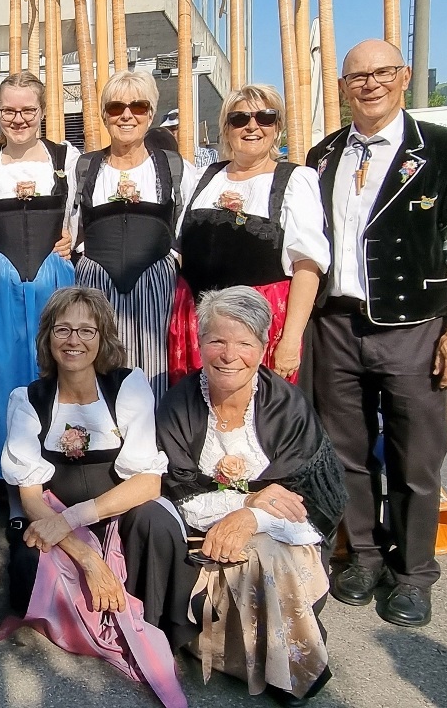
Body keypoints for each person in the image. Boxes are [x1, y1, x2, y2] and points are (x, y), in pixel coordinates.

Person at [307, 39, 447, 627]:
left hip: (414, 325)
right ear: (342, 86)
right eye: (357, 76)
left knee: (417, 455)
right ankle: (362, 553)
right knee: (345, 451)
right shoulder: (323, 154)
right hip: (336, 322)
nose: (370, 84)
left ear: (405, 75)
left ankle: (413, 573)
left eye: (382, 72)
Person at [0, 287, 191, 708]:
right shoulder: (28, 400)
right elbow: (30, 495)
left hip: (117, 514)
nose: (74, 340)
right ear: (48, 337)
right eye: (63, 329)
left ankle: (158, 629)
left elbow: (147, 482)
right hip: (56, 518)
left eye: (87, 330)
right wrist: (87, 558)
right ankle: (93, 615)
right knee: (27, 566)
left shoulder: (128, 387)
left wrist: (75, 518)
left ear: (103, 338)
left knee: (156, 522)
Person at [158, 287, 347, 706]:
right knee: (252, 553)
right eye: (217, 340)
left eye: (244, 343)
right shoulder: (178, 404)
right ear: (199, 342)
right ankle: (257, 660)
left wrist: (253, 520)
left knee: (266, 551)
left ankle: (292, 669)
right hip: (199, 534)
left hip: (287, 534)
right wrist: (245, 504)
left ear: (263, 348)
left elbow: (311, 503)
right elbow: (177, 490)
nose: (229, 354)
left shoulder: (289, 407)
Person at [169, 85, 329, 387]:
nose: (252, 126)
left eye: (265, 117)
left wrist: (291, 340)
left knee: (261, 420)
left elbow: (308, 267)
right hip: (198, 325)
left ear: (277, 126)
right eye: (240, 119)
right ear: (227, 128)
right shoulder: (206, 178)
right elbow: (182, 254)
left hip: (261, 328)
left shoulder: (295, 180)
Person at [0, 71, 78, 481]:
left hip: (54, 278)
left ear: (42, 111)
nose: (18, 118)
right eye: (9, 110)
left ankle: (61, 465)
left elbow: (78, 219)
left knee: (56, 370)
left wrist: (70, 242)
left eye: (27, 109)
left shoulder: (68, 160)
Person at [74, 70, 198, 402]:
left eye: (138, 107)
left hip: (155, 284)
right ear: (104, 115)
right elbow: (69, 227)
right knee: (96, 368)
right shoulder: (85, 168)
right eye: (116, 108)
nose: (127, 115)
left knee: (153, 370)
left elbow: (190, 228)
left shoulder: (175, 168)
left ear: (151, 114)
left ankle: (151, 447)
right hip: (95, 283)